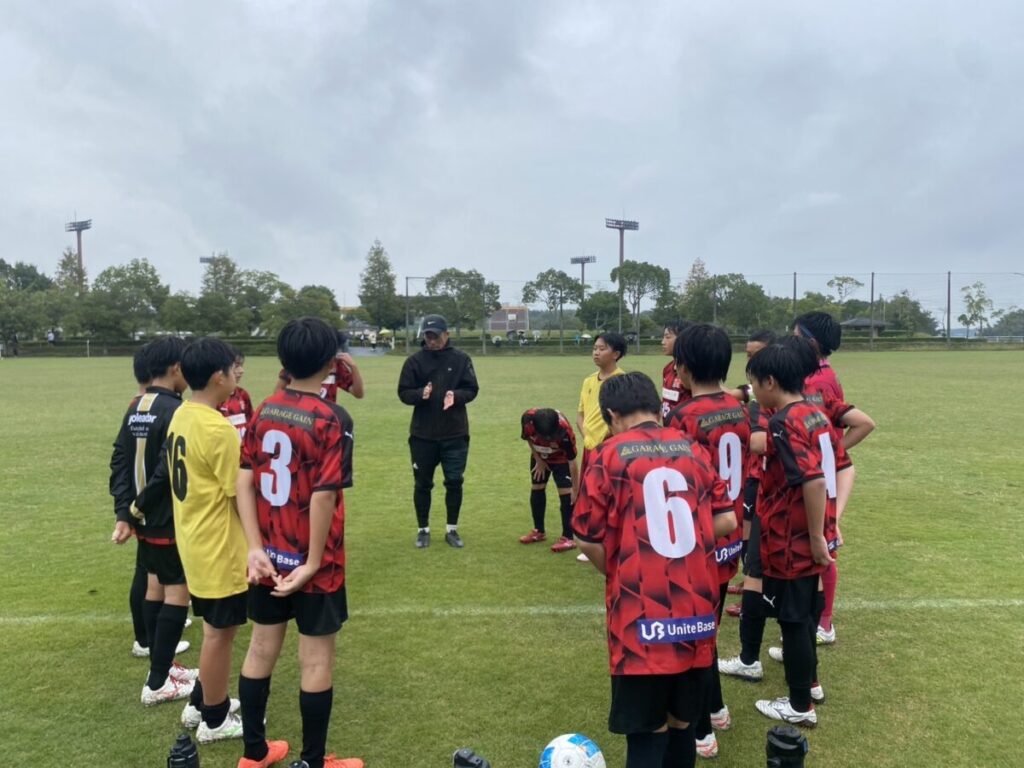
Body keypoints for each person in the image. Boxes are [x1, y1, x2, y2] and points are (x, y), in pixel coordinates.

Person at [573, 372, 737, 768]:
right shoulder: (694, 451)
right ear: (656, 407)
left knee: (647, 732)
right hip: (696, 612)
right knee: (682, 724)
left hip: (640, 616)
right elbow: (728, 520)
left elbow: (586, 537)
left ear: (611, 414)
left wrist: (617, 567)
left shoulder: (608, 455)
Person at [237, 317, 361, 768]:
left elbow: (244, 478)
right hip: (315, 563)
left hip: (268, 556)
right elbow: (324, 495)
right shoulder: (332, 418)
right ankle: (312, 761)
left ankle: (254, 754)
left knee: (260, 648)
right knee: (316, 659)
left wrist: (255, 547)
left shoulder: (264, 409)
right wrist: (310, 563)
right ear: (331, 363)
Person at [744, 342, 843, 727]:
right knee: (803, 613)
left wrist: (816, 537)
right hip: (808, 530)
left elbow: (814, 480)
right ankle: (809, 687)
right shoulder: (816, 414)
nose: (754, 392)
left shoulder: (784, 422)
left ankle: (800, 705)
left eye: (755, 383)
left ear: (770, 381)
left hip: (792, 536)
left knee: (794, 620)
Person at [666, 324, 751, 759]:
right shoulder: (739, 409)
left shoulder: (684, 417)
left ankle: (701, 729)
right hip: (730, 535)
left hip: (701, 541)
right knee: (709, 629)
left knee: (697, 639)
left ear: (683, 367)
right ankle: (716, 708)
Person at [165, 337, 250, 743]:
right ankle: (214, 719)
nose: (238, 375)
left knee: (217, 630)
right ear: (219, 376)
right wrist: (260, 545)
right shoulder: (219, 430)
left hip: (194, 539)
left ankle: (203, 702)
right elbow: (239, 497)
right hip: (219, 547)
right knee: (220, 632)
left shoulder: (182, 414)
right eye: (234, 368)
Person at [110, 336, 198, 706]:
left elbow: (118, 459)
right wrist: (134, 510)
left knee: (154, 586)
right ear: (176, 368)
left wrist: (125, 511)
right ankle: (158, 681)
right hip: (166, 516)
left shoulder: (137, 405)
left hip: (144, 519)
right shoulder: (177, 410)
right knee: (178, 592)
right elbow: (165, 471)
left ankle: (162, 667)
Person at [397, 314, 479, 549]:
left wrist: (456, 395)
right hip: (422, 435)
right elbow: (403, 392)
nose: (431, 341)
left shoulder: (461, 359)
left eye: (435, 336)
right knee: (422, 484)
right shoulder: (414, 362)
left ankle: (452, 530)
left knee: (454, 482)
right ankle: (423, 530)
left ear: (447, 334)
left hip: (455, 434)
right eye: (428, 336)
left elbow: (472, 389)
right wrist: (419, 394)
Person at [518, 408, 580, 552]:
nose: (549, 439)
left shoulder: (565, 432)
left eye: (551, 436)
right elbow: (528, 438)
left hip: (561, 459)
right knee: (537, 487)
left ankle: (568, 538)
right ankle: (539, 531)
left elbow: (572, 462)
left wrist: (575, 490)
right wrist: (538, 460)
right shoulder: (527, 419)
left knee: (566, 494)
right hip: (540, 456)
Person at [277, 330, 365, 402]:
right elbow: (278, 393)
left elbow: (358, 394)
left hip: (324, 415)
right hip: (302, 413)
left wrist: (353, 367)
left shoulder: (336, 365)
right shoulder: (299, 360)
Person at [219, 347, 254, 439]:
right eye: (237, 366)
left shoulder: (243, 395)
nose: (242, 371)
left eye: (241, 366)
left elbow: (251, 425)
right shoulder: (215, 399)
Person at [660, 320, 692, 419]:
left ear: (683, 339)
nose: (662, 342)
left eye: (667, 337)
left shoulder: (692, 370)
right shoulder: (668, 368)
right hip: (669, 426)